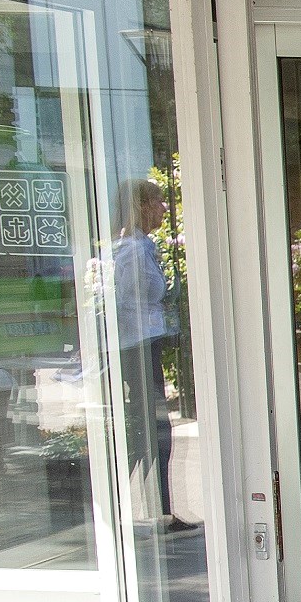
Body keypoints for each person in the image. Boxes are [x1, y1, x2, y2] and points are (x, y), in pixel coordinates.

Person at [109, 178, 191, 533]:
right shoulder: (132, 250)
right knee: (152, 428)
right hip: (137, 346)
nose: (163, 208)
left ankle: (158, 508)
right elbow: (126, 301)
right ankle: (133, 507)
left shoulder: (142, 247)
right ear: (142, 206)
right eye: (158, 201)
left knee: (154, 428)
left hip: (146, 343)